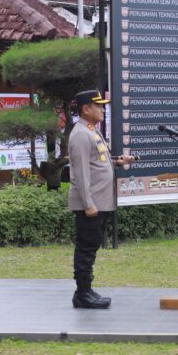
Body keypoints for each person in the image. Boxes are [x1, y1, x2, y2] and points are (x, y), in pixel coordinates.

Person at [69, 90, 135, 309]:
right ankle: (82, 293)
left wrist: (117, 161)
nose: (102, 109)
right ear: (86, 109)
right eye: (98, 106)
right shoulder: (80, 133)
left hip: (100, 202)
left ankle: (86, 290)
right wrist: (88, 204)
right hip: (91, 204)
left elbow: (96, 161)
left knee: (92, 246)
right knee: (86, 248)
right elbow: (80, 173)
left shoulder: (91, 130)